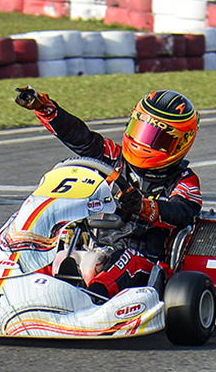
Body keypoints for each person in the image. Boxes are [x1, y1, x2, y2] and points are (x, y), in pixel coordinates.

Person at [15, 86, 202, 300]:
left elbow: (183, 211)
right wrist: (46, 109)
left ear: (181, 143)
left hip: (145, 260)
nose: (144, 142)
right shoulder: (116, 159)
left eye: (157, 139)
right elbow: (82, 139)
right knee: (52, 250)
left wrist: (145, 207)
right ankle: (14, 288)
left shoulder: (183, 179)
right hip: (96, 247)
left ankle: (92, 299)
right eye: (141, 131)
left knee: (124, 261)